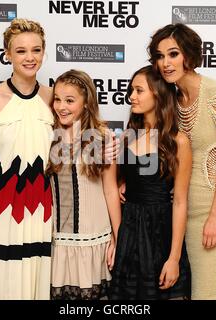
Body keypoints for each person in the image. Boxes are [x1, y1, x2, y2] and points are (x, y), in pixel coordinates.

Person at [148, 23, 216, 299]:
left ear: (188, 55)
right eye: (159, 56)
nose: (165, 63)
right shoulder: (171, 99)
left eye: (173, 54)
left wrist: (215, 216)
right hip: (181, 216)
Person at [0, 18, 54, 300]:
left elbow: (72, 146)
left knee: (34, 278)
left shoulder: (53, 97)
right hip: (1, 205)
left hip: (40, 206)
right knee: (4, 282)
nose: (30, 57)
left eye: (36, 50)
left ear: (43, 52)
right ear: (7, 54)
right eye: (21, 51)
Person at [110, 65, 192, 300]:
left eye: (138, 90)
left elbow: (180, 202)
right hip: (129, 231)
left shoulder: (179, 141)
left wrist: (174, 258)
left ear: (157, 93)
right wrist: (121, 184)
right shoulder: (127, 136)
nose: (131, 97)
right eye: (131, 90)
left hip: (160, 232)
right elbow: (116, 182)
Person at [46, 69, 121, 300]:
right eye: (57, 99)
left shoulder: (103, 138)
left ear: (86, 102)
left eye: (70, 100)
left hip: (94, 241)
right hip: (58, 244)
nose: (61, 106)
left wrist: (118, 240)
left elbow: (110, 190)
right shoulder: (47, 135)